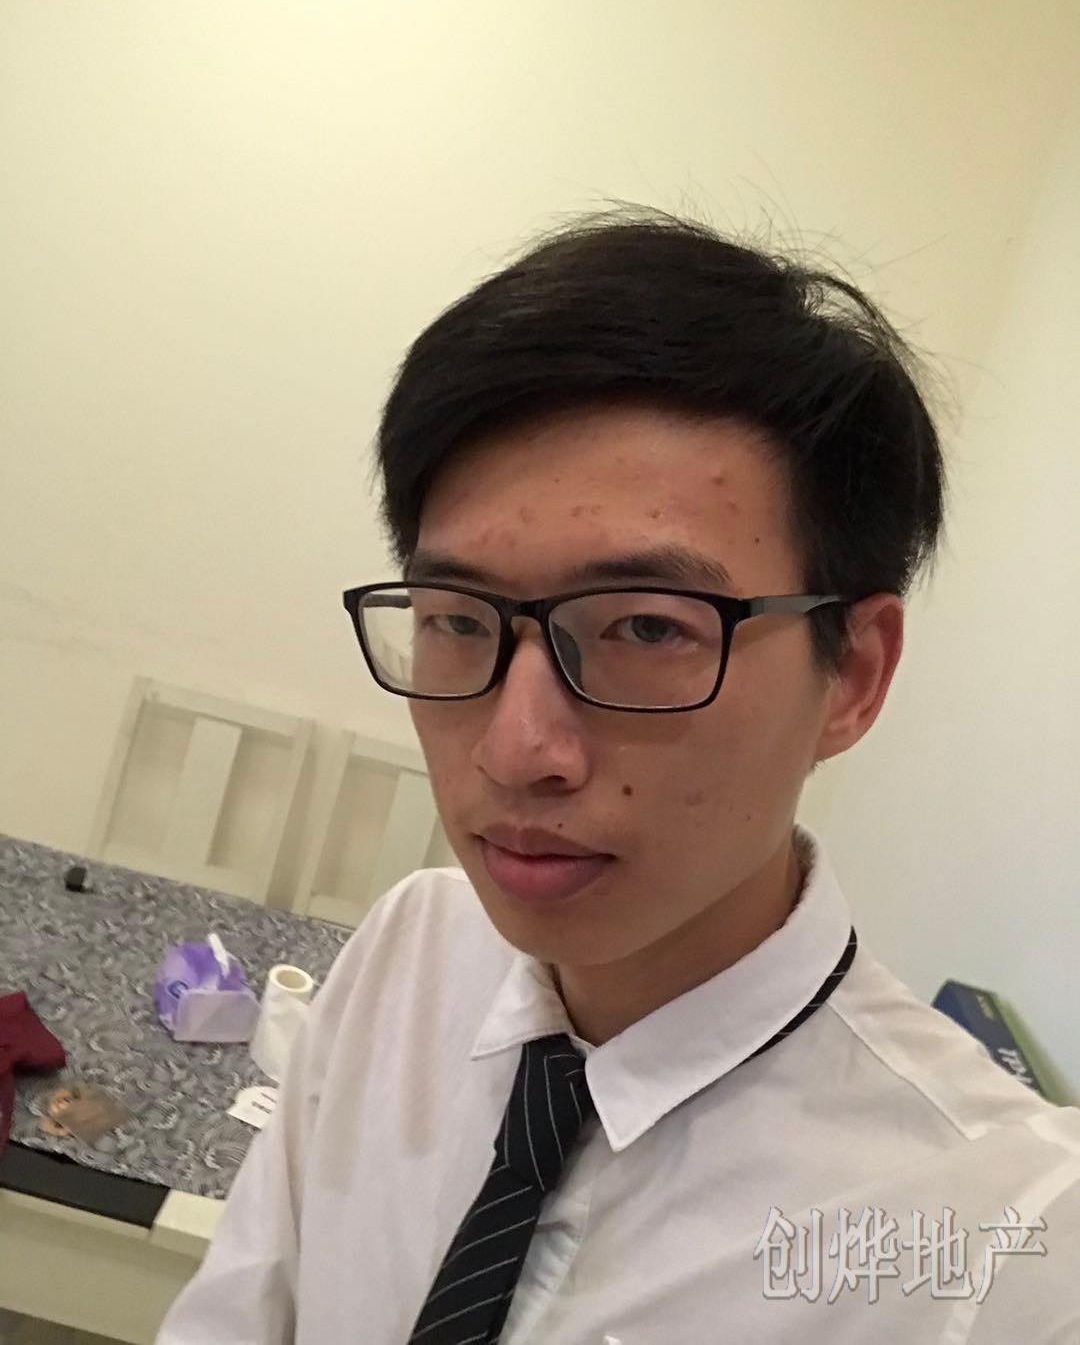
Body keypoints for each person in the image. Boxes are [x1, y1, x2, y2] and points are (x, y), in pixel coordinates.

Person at [157, 209, 1080, 1343]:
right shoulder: (412, 950)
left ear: (853, 674)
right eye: (457, 618)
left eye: (647, 627)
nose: (515, 750)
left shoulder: (1010, 1248)